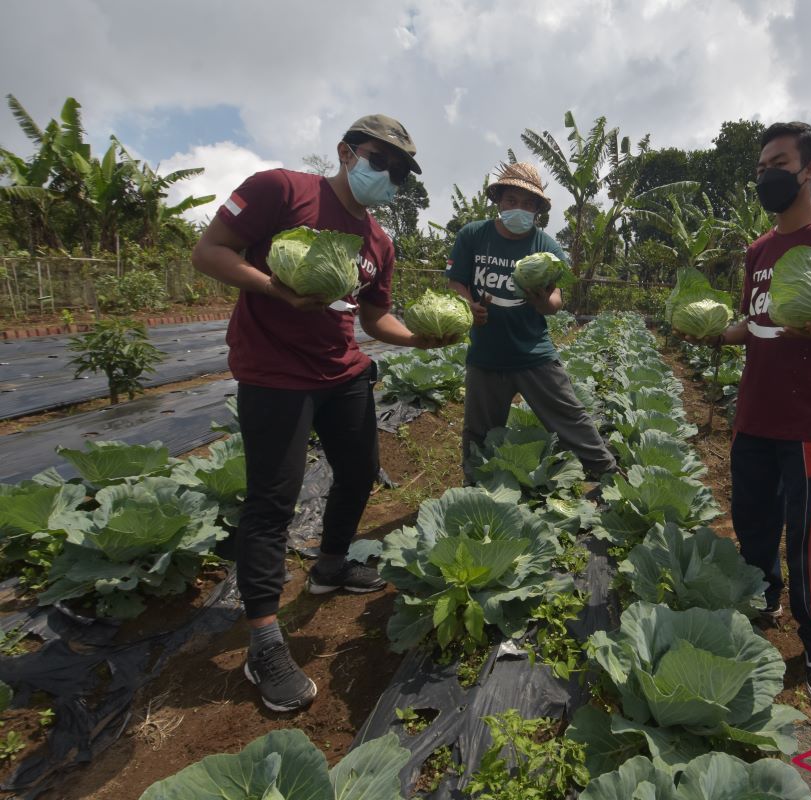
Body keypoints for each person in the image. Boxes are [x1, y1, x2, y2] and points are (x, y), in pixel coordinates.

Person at [192, 114, 453, 712]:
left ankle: (331, 564)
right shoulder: (283, 190)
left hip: (344, 371)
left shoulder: (380, 242)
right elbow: (209, 252)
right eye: (378, 160)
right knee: (271, 503)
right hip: (275, 373)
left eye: (399, 171)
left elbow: (372, 319)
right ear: (345, 152)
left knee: (361, 472)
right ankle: (263, 641)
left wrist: (416, 339)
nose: (387, 175)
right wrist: (274, 288)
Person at [688, 121, 811, 711]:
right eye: (762, 165)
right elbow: (755, 323)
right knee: (754, 524)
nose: (767, 174)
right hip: (754, 417)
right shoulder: (758, 251)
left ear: (809, 169)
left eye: (778, 162)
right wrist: (717, 334)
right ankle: (764, 596)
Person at [446, 162, 618, 483]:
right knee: (477, 431)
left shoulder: (547, 248)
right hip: (486, 355)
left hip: (533, 352)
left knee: (569, 417)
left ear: (538, 209)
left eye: (527, 204)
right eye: (511, 200)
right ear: (498, 201)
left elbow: (556, 301)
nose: (518, 209)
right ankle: (475, 485)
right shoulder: (473, 235)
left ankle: (606, 472)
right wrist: (467, 306)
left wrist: (542, 302)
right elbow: (457, 282)